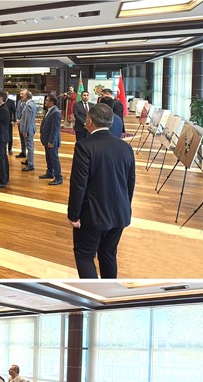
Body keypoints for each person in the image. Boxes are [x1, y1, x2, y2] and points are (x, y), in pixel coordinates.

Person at [67, 103, 136, 279]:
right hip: (120, 214)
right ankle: (109, 291)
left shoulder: (84, 146)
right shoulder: (126, 147)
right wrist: (125, 207)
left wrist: (74, 215)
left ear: (89, 121)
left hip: (92, 216)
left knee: (84, 255)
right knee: (108, 254)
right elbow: (130, 183)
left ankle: (93, 294)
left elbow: (79, 184)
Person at [39, 94, 63, 185]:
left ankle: (58, 177)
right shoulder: (49, 110)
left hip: (51, 141)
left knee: (54, 159)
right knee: (48, 158)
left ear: (52, 102)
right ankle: (50, 173)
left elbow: (55, 129)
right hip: (47, 139)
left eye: (47, 100)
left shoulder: (55, 112)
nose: (45, 102)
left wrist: (51, 141)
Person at [17, 91, 38, 171]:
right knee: (29, 146)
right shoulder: (32, 104)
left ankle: (30, 164)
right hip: (31, 128)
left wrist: (25, 130)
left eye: (23, 95)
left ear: (26, 96)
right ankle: (29, 160)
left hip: (28, 129)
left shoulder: (28, 105)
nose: (22, 96)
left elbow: (27, 120)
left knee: (29, 147)